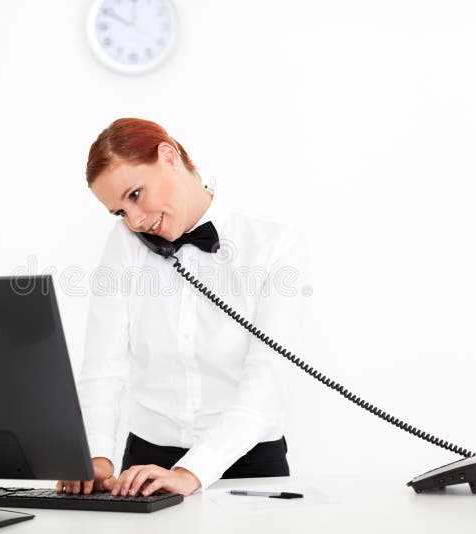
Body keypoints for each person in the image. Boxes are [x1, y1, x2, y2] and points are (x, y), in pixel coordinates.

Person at [57, 118, 306, 498]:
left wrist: (192, 472)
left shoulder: (272, 245)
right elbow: (103, 367)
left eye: (136, 194)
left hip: (250, 461)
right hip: (144, 462)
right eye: (120, 212)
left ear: (169, 157)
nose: (135, 220)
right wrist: (97, 458)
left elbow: (267, 381)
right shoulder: (125, 244)